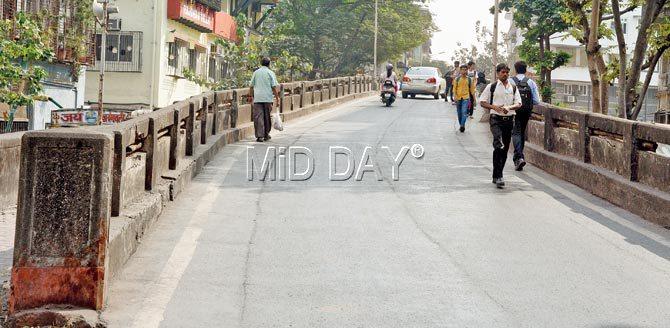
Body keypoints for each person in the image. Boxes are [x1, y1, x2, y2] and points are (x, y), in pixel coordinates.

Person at [479, 63, 522, 189]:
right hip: (495, 119)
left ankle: (496, 174)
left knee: (504, 148)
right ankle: (499, 176)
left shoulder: (513, 87)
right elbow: (482, 101)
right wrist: (495, 108)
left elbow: (519, 103)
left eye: (507, 72)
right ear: (498, 73)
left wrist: (508, 108)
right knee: (499, 143)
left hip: (509, 120)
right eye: (503, 72)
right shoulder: (491, 87)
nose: (505, 74)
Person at [511, 61, 540, 171]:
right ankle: (518, 157)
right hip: (526, 111)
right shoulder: (531, 82)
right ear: (526, 69)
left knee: (516, 132)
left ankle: (519, 157)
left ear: (515, 69)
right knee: (521, 132)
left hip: (514, 110)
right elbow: (536, 101)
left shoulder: (510, 81)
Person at [250, 57, 280, 142]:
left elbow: (251, 86)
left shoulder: (256, 73)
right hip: (267, 98)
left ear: (261, 63)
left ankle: (260, 136)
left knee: (258, 117)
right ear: (269, 64)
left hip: (258, 98)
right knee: (267, 117)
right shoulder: (271, 73)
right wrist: (277, 99)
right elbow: (273, 87)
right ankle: (266, 134)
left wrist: (250, 96)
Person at [453, 64, 476, 133]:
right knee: (459, 113)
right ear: (460, 71)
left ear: (467, 71)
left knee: (464, 112)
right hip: (458, 98)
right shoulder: (457, 79)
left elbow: (472, 90)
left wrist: (474, 99)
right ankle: (461, 125)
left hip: (466, 98)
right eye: (462, 69)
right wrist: (455, 97)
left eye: (465, 70)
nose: (464, 71)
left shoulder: (469, 79)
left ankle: (462, 125)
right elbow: (454, 89)